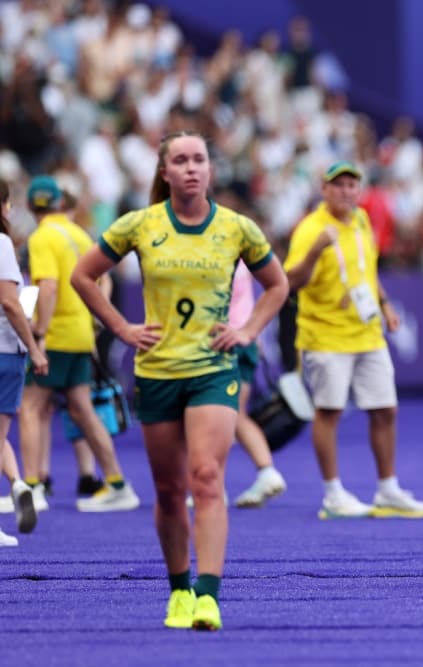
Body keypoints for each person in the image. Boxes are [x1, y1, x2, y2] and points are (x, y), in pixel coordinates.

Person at [71, 130, 289, 631]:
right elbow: (84, 276)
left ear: (210, 169)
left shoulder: (237, 228)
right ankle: (178, 591)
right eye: (181, 161)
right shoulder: (140, 225)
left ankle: (209, 596)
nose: (192, 168)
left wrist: (247, 331)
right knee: (169, 491)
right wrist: (122, 328)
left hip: (213, 370)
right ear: (164, 171)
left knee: (207, 478)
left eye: (200, 160)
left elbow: (277, 285)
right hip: (157, 372)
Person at [284, 160, 423, 520]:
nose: (347, 191)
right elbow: (290, 282)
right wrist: (316, 250)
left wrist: (384, 304)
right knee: (329, 412)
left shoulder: (362, 220)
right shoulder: (310, 229)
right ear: (325, 189)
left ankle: (387, 489)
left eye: (352, 185)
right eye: (339, 185)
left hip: (367, 332)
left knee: (386, 409)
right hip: (325, 334)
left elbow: (365, 272)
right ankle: (333, 494)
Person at [20, 175, 140, 513]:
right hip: (81, 334)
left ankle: (31, 489)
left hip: (56, 334)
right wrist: (94, 320)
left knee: (30, 407)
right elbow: (104, 281)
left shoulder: (41, 238)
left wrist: (39, 333)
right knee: (83, 411)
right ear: (60, 202)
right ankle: (116, 482)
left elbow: (48, 288)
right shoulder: (78, 233)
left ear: (30, 206)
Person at [0, 178, 48, 546]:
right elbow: (11, 302)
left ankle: (18, 485)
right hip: (5, 351)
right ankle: (17, 484)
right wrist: (34, 347)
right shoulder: (2, 244)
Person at [230, 260, 287, 509]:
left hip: (222, 340)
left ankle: (212, 486)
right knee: (237, 415)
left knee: (211, 416)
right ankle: (267, 472)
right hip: (245, 341)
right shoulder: (243, 253)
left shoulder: (212, 249)